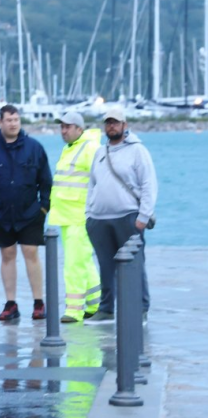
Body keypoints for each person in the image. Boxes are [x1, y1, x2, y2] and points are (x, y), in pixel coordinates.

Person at [0, 104, 52, 321]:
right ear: (0, 122)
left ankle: (38, 302)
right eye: (9, 120)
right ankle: (11, 303)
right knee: (7, 255)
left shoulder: (34, 147)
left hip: (30, 213)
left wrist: (43, 208)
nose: (13, 123)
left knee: (30, 253)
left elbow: (45, 180)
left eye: (16, 119)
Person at [85, 107, 157, 324]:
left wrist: (143, 216)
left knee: (134, 264)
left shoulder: (138, 151)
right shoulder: (100, 152)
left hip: (128, 217)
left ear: (125, 125)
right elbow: (92, 184)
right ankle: (106, 309)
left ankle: (140, 309)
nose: (111, 126)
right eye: (108, 122)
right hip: (99, 219)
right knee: (105, 267)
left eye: (115, 122)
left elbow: (149, 184)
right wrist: (89, 214)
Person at [48, 111, 103, 323]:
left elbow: (100, 179)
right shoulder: (70, 148)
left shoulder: (89, 149)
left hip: (80, 217)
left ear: (79, 129)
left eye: (67, 127)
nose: (63, 131)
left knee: (73, 264)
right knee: (83, 261)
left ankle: (74, 310)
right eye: (61, 127)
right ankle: (95, 303)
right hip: (67, 216)